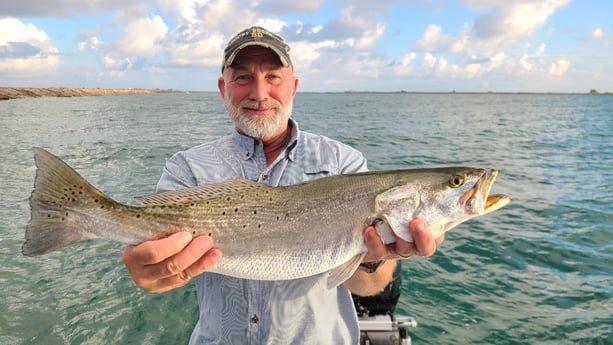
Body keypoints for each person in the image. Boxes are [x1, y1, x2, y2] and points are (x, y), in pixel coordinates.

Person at [122, 26, 444, 344]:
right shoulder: (187, 167)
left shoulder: (343, 162)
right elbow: (150, 252)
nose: (259, 93)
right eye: (243, 77)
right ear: (224, 88)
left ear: (293, 86)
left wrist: (374, 259)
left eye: (273, 77)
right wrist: (152, 269)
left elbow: (369, 287)